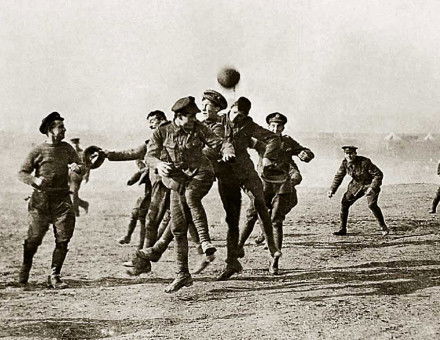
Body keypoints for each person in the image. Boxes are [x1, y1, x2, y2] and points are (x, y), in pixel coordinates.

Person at [144, 96, 234, 293]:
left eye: (195, 116)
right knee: (177, 228)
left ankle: (204, 241)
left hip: (202, 174)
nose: (194, 120)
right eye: (190, 117)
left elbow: (219, 142)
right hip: (178, 180)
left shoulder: (198, 128)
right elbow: (149, 156)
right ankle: (182, 274)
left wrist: (228, 151)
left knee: (191, 197)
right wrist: (159, 165)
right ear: (178, 116)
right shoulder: (162, 131)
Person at [214, 97, 282, 280]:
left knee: (260, 203)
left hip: (245, 170)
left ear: (247, 115)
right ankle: (231, 262)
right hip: (225, 173)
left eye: (242, 115)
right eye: (235, 113)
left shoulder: (249, 124)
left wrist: (267, 157)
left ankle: (273, 247)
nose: (237, 118)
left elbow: (273, 138)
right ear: (230, 110)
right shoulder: (218, 120)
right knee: (232, 218)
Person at [237, 112, 314, 274]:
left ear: (283, 127)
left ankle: (274, 261)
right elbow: (242, 141)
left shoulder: (287, 141)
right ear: (268, 127)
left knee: (276, 221)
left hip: (280, 186)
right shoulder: (262, 140)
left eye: (278, 126)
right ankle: (239, 246)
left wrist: (304, 154)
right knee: (251, 215)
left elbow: (305, 152)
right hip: (263, 184)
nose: (275, 128)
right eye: (272, 125)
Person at [18, 112, 85, 288]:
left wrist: (78, 168)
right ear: (50, 130)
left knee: (63, 238)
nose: (64, 130)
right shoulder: (38, 151)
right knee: (33, 239)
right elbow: (22, 173)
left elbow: (81, 167)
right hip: (40, 201)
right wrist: (34, 180)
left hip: (62, 200)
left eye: (64, 127)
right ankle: (25, 269)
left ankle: (54, 275)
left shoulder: (67, 148)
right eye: (60, 127)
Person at [104, 110, 166, 250]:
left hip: (169, 183)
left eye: (152, 121)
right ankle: (143, 248)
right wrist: (109, 154)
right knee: (146, 215)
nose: (151, 126)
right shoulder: (152, 141)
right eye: (149, 123)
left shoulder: (172, 134)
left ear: (161, 119)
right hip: (155, 185)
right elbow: (134, 153)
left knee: (172, 216)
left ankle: (202, 245)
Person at [328, 146, 389, 236]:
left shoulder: (365, 162)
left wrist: (372, 187)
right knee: (345, 203)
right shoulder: (345, 163)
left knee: (372, 205)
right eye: (347, 154)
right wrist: (332, 190)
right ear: (344, 155)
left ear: (355, 154)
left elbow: (378, 174)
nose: (349, 156)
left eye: (351, 154)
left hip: (370, 183)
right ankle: (342, 229)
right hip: (356, 185)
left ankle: (383, 227)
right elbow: (339, 176)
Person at [69, 138, 90, 217]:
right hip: (67, 176)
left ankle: (75, 212)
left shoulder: (82, 153)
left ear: (78, 144)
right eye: (73, 144)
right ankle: (84, 204)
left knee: (73, 193)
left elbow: (87, 166)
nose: (74, 145)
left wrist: (86, 177)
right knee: (70, 194)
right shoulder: (68, 153)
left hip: (77, 176)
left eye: (75, 144)